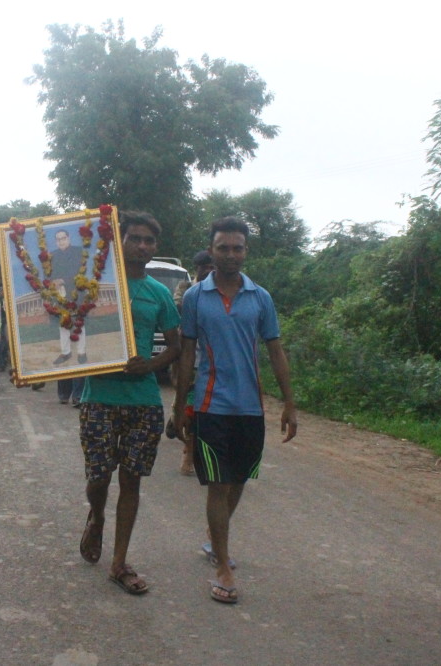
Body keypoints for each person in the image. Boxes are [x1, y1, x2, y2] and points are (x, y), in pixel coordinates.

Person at [173, 216, 297, 605]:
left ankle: (214, 538)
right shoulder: (195, 297)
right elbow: (188, 353)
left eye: (237, 247)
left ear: (246, 251)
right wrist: (180, 405)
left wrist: (290, 403)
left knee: (239, 481)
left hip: (250, 408)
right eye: (223, 247)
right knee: (218, 484)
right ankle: (222, 565)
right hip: (210, 405)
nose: (230, 254)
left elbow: (275, 350)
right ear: (211, 250)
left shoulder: (260, 298)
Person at [77, 211, 180, 595]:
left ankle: (119, 562)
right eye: (134, 238)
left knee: (132, 480)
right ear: (118, 242)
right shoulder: (94, 287)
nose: (142, 246)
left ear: (155, 247)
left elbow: (175, 346)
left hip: (143, 402)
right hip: (99, 397)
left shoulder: (158, 293)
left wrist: (148, 366)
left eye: (149, 241)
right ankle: (97, 515)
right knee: (98, 477)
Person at [174, 249, 214, 476]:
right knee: (190, 408)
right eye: (204, 267)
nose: (208, 270)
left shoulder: (225, 290)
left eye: (212, 267)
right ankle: (188, 451)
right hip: (192, 355)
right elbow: (177, 305)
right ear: (196, 268)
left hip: (215, 361)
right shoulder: (187, 289)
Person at [49, 228, 88, 365]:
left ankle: (81, 352)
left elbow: (79, 271)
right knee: (63, 324)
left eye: (63, 238)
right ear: (56, 241)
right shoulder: (52, 255)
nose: (61, 241)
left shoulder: (78, 252)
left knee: (79, 322)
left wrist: (63, 280)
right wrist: (53, 282)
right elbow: (49, 274)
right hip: (60, 294)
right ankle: (66, 352)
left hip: (76, 292)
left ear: (69, 238)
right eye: (58, 239)